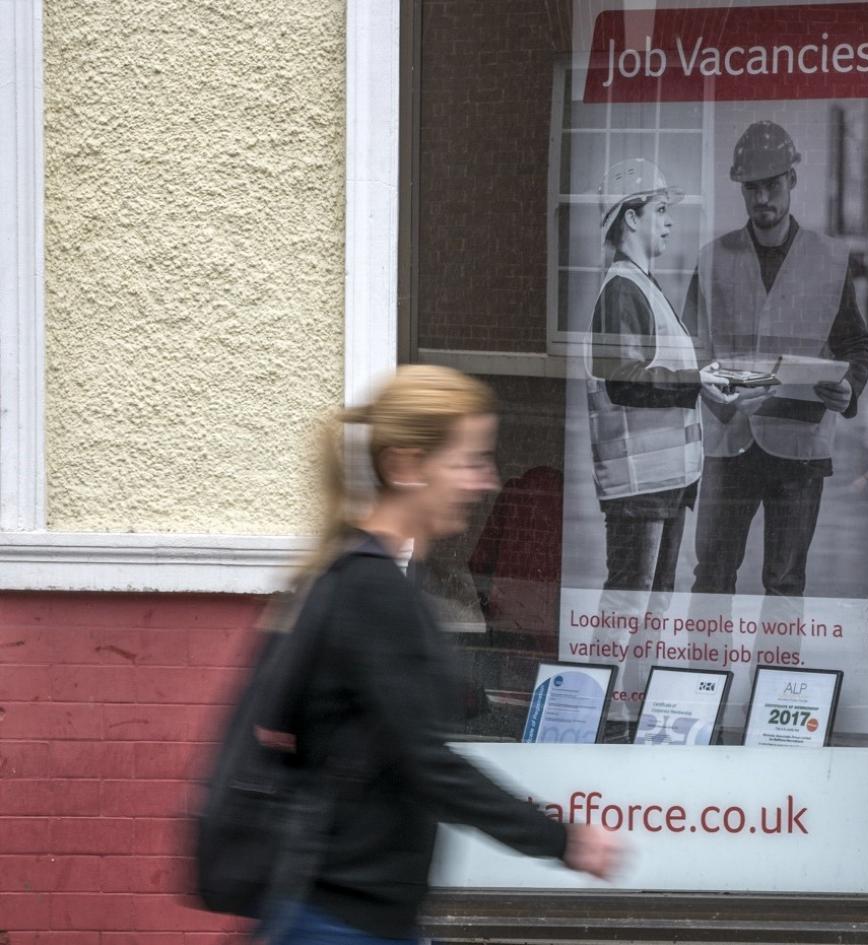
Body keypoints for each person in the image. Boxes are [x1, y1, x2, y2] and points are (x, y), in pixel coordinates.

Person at [261, 366, 618, 943]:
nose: (488, 481)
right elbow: (425, 763)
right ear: (406, 466)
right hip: (346, 920)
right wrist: (562, 839)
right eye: (470, 461)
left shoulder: (352, 575)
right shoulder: (372, 590)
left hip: (354, 909)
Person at [686, 121, 868, 600]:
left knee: (785, 585)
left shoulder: (830, 260)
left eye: (771, 185)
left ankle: (779, 657)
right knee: (711, 579)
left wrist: (848, 387)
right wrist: (705, 383)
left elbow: (856, 346)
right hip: (729, 441)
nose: (762, 198)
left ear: (791, 179)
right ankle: (707, 655)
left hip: (800, 445)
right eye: (751, 188)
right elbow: (691, 350)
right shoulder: (712, 259)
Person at [583, 159, 728, 706]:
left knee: (652, 606)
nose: (669, 222)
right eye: (660, 210)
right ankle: (591, 714)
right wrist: (695, 381)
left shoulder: (642, 287)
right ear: (630, 218)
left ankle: (630, 712)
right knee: (628, 603)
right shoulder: (623, 291)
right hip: (639, 485)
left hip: (664, 481)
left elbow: (651, 373)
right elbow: (624, 379)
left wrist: (704, 384)